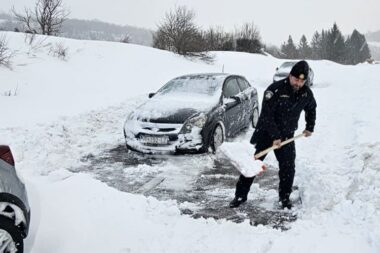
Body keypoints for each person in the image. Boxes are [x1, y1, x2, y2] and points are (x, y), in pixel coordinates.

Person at [229, 60, 317, 209]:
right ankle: (240, 196)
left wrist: (310, 126)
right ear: (290, 76)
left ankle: (284, 198)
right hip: (266, 133)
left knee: (288, 168)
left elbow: (311, 108)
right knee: (252, 164)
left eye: (302, 81)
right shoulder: (275, 90)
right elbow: (266, 116)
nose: (298, 83)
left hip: (288, 136)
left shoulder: (306, 93)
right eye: (296, 79)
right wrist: (275, 136)